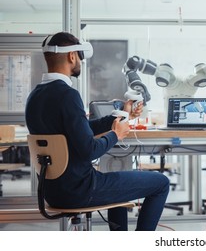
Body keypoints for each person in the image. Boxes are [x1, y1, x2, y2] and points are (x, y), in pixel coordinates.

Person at [25, 32, 170, 231]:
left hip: (53, 191)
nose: (81, 64)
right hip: (80, 190)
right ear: (72, 56)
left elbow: (81, 130)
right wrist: (115, 135)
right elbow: (89, 150)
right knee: (161, 183)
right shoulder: (68, 95)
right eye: (81, 58)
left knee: (118, 184)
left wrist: (121, 115)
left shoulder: (35, 97)